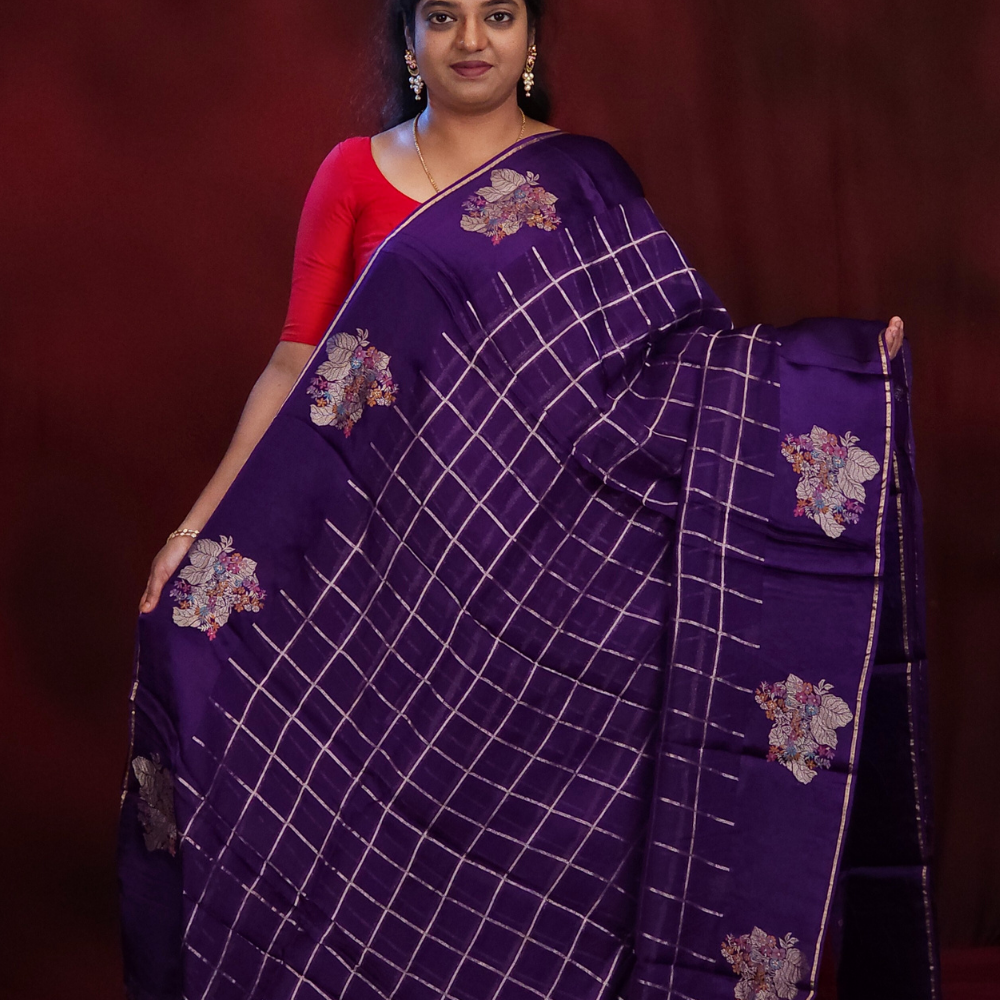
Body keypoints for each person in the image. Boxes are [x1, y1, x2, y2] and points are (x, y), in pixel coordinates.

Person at [121, 2, 933, 999]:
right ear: (409, 41)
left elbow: (673, 368)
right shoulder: (352, 174)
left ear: (532, 40)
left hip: (539, 574)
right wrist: (197, 525)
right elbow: (296, 362)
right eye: (444, 16)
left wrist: (836, 372)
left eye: (498, 14)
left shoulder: (585, 182)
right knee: (312, 770)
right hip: (381, 573)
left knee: (524, 837)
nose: (472, 39)